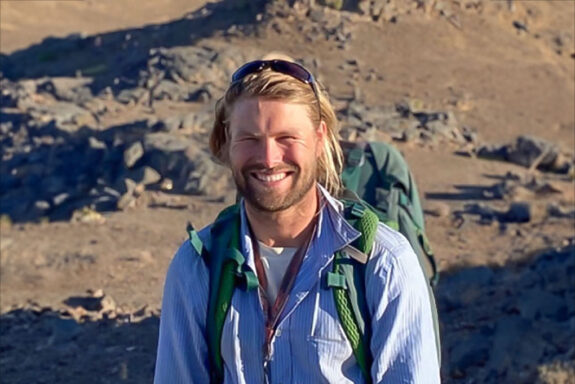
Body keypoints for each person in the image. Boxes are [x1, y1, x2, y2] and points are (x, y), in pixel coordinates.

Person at [154, 58, 440, 383]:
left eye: (286, 138)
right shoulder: (198, 265)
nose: (268, 158)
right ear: (227, 144)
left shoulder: (384, 262)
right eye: (249, 139)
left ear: (320, 139)